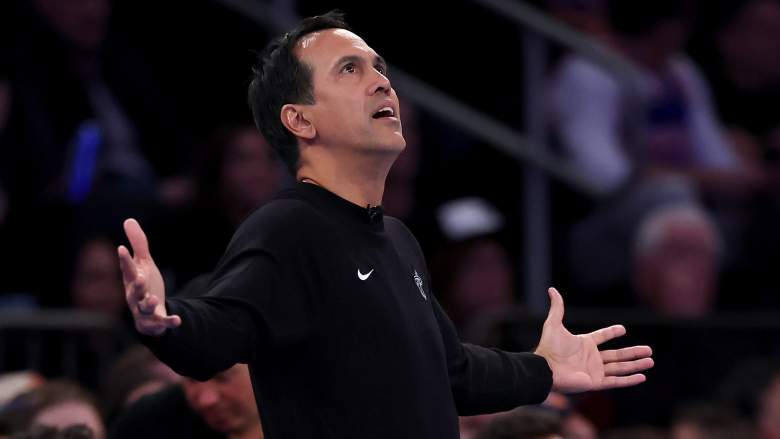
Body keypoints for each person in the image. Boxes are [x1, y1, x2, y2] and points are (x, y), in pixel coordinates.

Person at [117, 11, 653, 438]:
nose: (381, 83)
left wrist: (544, 370)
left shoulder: (397, 239)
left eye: (379, 68)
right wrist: (164, 319)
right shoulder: (288, 228)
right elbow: (220, 330)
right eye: (350, 70)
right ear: (300, 119)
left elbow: (452, 373)